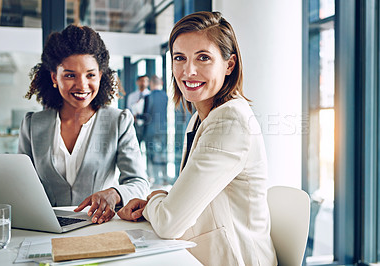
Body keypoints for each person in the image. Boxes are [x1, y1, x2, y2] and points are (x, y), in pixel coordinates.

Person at [117, 11, 277, 266]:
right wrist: (159, 202)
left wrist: (154, 199)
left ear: (229, 65)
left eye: (203, 58)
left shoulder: (230, 122)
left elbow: (170, 223)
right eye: (179, 58)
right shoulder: (201, 118)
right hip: (206, 253)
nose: (189, 71)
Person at [18, 24, 150, 225]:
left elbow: (139, 183)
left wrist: (114, 193)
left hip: (99, 228)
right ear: (54, 77)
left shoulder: (118, 121)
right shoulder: (32, 124)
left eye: (90, 75)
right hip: (45, 229)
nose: (82, 85)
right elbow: (20, 184)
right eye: (70, 75)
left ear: (100, 76)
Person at [139, 75, 168, 186]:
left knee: (151, 154)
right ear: (160, 83)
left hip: (150, 130)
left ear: (151, 84)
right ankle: (164, 178)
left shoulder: (148, 97)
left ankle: (154, 179)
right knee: (162, 153)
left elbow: (146, 116)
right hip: (162, 129)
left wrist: (138, 116)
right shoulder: (165, 96)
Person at [126, 75, 150, 144]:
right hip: (135, 125)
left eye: (145, 81)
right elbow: (128, 110)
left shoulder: (150, 95)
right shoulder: (131, 96)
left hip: (147, 125)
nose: (143, 83)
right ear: (137, 82)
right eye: (141, 81)